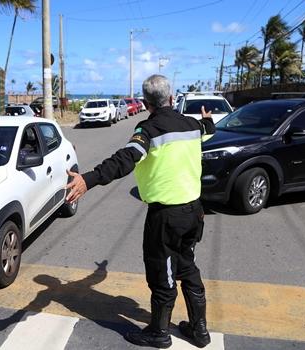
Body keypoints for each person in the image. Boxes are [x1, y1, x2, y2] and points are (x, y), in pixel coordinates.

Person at [65, 74, 215, 348]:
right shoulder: (193, 125)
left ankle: (158, 333)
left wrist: (88, 179)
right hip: (194, 213)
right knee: (187, 268)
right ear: (172, 98)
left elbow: (125, 159)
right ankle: (199, 330)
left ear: (146, 104)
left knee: (162, 275)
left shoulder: (148, 130)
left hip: (166, 217)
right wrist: (207, 118)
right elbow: (208, 128)